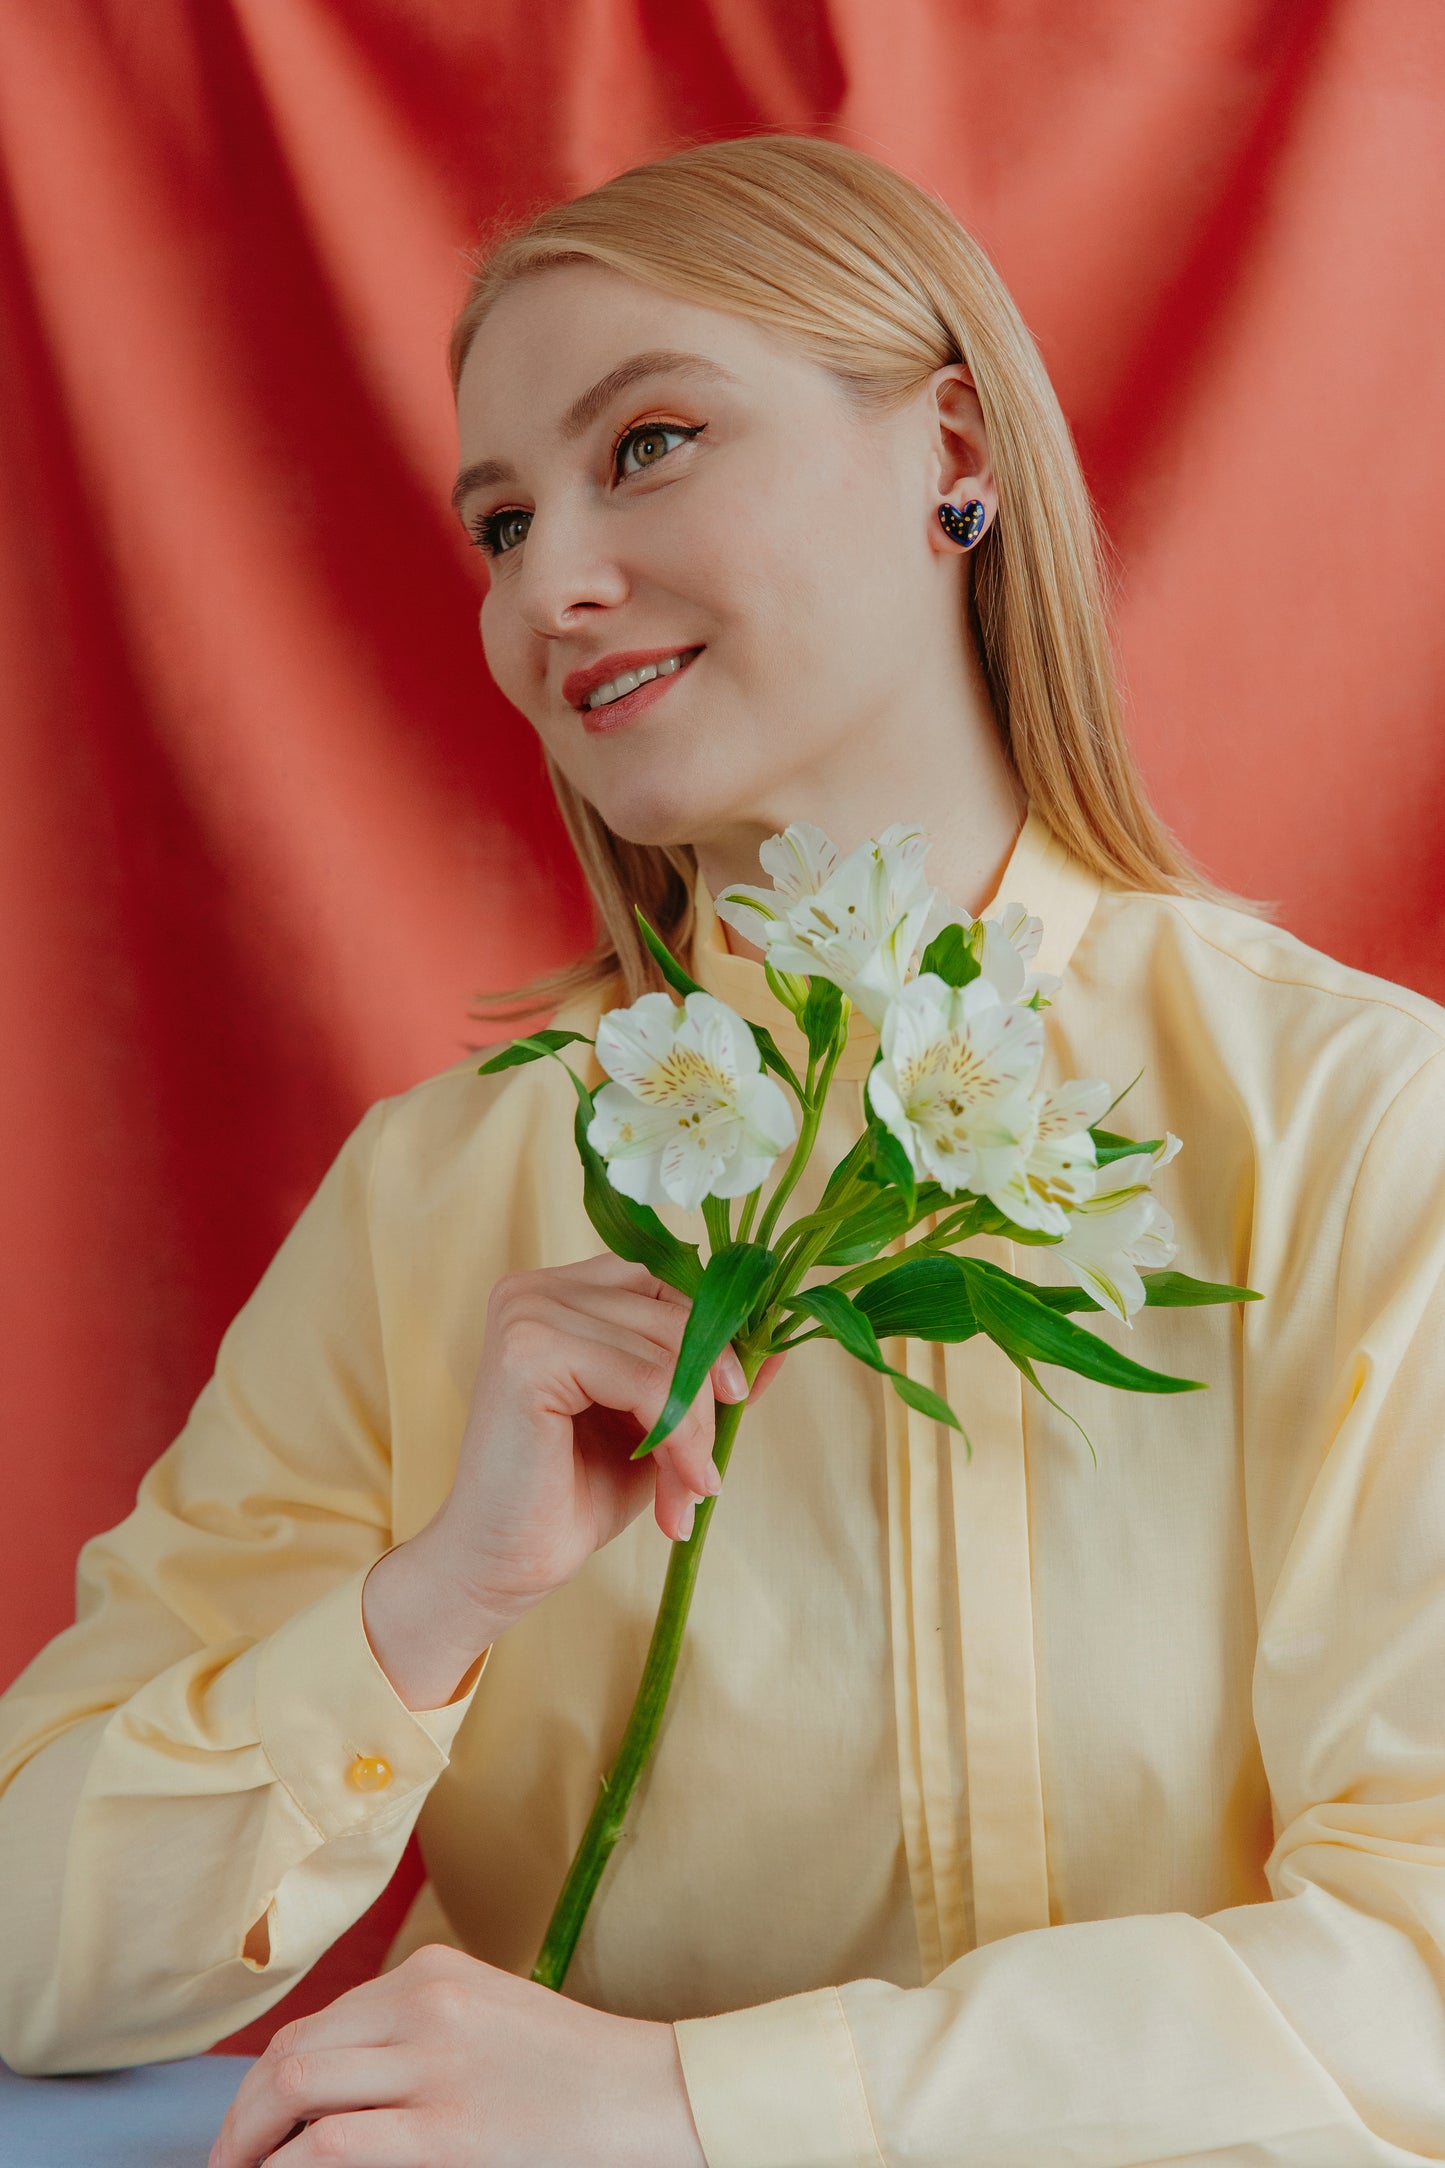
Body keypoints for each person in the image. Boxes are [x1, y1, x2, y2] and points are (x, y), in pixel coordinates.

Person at [2, 131, 1444, 2167]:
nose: (547, 588)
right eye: (498, 521)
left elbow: (1422, 1978)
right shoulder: (439, 1207)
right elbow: (26, 1951)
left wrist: (693, 2101)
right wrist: (430, 1607)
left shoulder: (1365, 1134)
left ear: (955, 445)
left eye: (649, 445)